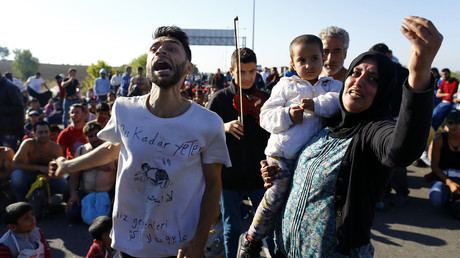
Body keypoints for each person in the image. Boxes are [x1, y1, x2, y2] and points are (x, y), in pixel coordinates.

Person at [261, 16, 442, 256]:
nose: (358, 82)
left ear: (385, 90)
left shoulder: (372, 131)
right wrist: (272, 166)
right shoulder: (328, 120)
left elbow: (401, 150)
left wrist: (419, 75)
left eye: (373, 79)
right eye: (355, 73)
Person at [49, 25, 231, 257]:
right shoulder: (124, 108)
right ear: (147, 66)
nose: (161, 52)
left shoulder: (208, 123)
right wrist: (68, 165)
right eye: (155, 49)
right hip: (128, 242)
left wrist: (199, 239)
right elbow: (112, 147)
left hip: (179, 248)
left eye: (172, 49)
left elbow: (214, 184)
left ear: (188, 68)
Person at [239, 34, 342, 256]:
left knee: (295, 207)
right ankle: (252, 239)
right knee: (275, 196)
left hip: (311, 160)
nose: (309, 65)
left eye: (314, 58)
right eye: (302, 60)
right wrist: (287, 115)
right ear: (292, 64)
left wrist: (315, 105)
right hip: (282, 154)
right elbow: (266, 116)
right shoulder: (285, 85)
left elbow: (337, 103)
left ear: (322, 58)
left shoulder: (333, 85)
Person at [207, 47, 271, 258]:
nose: (247, 77)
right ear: (232, 71)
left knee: (267, 227)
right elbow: (203, 131)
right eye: (242, 72)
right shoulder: (220, 99)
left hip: (259, 175)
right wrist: (223, 127)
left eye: (252, 71)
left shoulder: (266, 98)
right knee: (231, 226)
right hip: (229, 176)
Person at [65, 121, 116, 224]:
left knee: (110, 221)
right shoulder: (81, 151)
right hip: (86, 193)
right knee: (71, 216)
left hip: (107, 194)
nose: (94, 138)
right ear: (86, 138)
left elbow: (121, 176)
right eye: (90, 136)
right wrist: (73, 194)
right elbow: (74, 176)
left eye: (96, 135)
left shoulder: (112, 150)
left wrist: (116, 195)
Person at [10, 120, 68, 202]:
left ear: (49, 133)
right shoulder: (28, 144)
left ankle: (48, 201)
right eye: (40, 132)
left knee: (64, 184)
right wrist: (39, 168)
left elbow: (62, 168)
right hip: (28, 174)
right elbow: (14, 165)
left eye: (46, 132)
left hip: (47, 176)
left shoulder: (56, 148)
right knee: (16, 176)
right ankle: (21, 201)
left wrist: (49, 176)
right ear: (34, 133)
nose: (44, 135)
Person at [429, 111, 460, 209]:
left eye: (457, 123)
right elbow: (434, 166)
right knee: (436, 198)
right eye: (450, 123)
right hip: (443, 178)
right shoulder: (439, 140)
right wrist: (450, 183)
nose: (453, 126)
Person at [0, 73, 24, 151]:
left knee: (9, 157)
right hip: (2, 128)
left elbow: (19, 106)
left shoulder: (11, 87)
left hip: (9, 130)